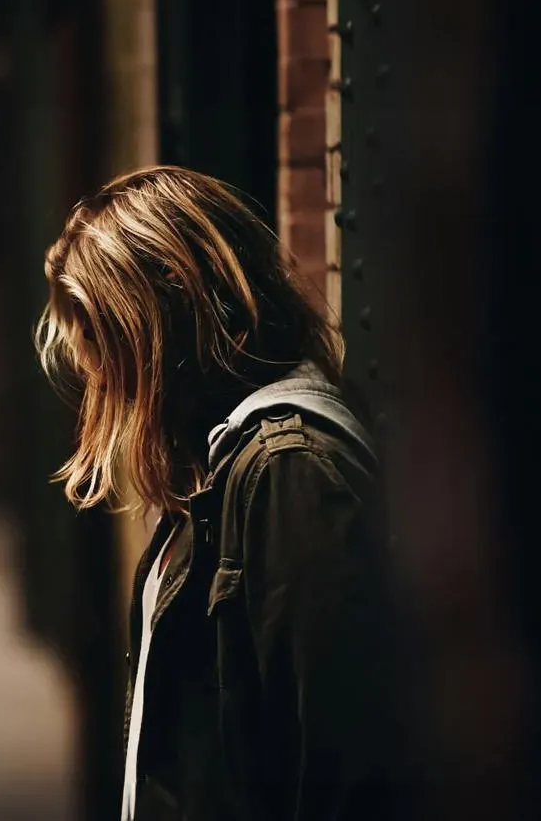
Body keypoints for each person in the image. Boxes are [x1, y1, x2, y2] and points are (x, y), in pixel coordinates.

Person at [36, 166, 407, 821]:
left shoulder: (289, 467)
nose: (95, 373)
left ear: (159, 318)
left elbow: (348, 768)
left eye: (100, 337)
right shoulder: (226, 463)